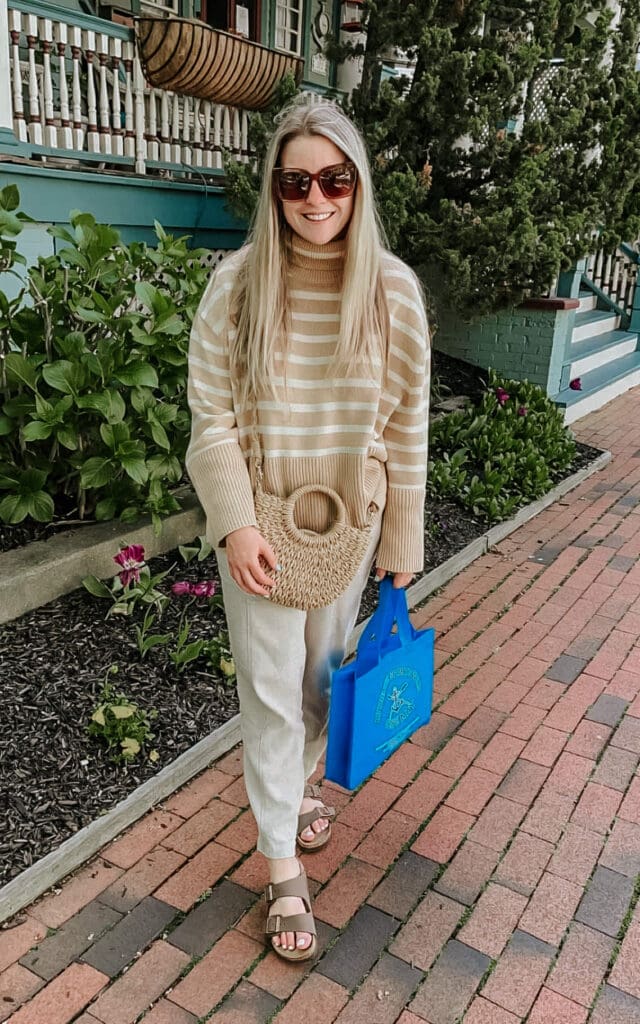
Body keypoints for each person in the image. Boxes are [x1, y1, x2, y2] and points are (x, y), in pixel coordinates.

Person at [186, 98, 430, 962]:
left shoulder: (394, 291)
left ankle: (294, 792)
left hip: (349, 526)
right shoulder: (239, 284)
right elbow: (211, 415)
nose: (316, 199)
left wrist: (401, 551)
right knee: (269, 689)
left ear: (358, 185)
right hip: (259, 525)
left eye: (335, 179)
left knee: (323, 683)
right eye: (297, 181)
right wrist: (235, 522)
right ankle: (281, 865)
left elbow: (406, 430)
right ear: (275, 188)